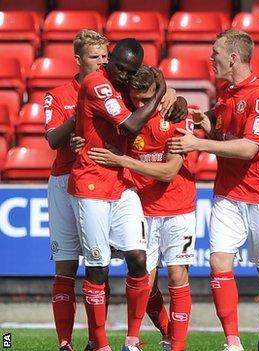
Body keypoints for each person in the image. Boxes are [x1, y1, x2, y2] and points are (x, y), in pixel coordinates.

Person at [167, 29, 259, 351]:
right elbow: (222, 127)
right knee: (219, 263)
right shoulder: (226, 94)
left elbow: (250, 148)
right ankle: (233, 343)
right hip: (228, 196)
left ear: (233, 58)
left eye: (216, 54)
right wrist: (205, 121)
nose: (211, 59)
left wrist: (198, 143)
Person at [68, 38, 168, 351]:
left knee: (138, 259)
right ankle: (99, 344)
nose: (124, 75)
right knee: (98, 266)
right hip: (91, 183)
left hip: (121, 183)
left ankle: (132, 341)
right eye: (120, 68)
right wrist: (160, 96)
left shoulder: (122, 85)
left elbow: (154, 86)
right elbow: (128, 126)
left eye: (130, 71)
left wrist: (169, 94)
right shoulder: (98, 84)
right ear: (110, 59)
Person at [86, 65, 194, 351]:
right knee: (144, 282)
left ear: (157, 95)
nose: (142, 105)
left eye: (148, 99)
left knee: (177, 274)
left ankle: (177, 345)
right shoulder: (123, 117)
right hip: (143, 207)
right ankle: (146, 338)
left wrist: (124, 161)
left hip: (178, 206)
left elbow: (170, 171)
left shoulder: (175, 114)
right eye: (137, 100)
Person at [44, 29, 108, 351]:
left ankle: (97, 341)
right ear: (79, 59)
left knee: (99, 264)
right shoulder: (57, 94)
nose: (102, 62)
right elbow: (53, 139)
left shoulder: (114, 92)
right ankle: (65, 344)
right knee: (65, 265)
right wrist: (77, 117)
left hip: (99, 183)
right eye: (95, 57)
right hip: (63, 181)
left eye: (104, 56)